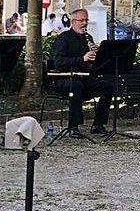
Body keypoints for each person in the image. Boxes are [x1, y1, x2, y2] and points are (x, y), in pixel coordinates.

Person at [50, 8, 118, 137]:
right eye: (82, 20)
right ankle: (73, 127)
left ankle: (98, 124)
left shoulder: (88, 37)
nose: (85, 23)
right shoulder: (63, 38)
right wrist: (82, 58)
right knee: (76, 87)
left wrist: (98, 55)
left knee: (108, 87)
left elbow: (92, 64)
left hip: (84, 78)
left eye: (86, 20)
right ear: (73, 21)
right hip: (64, 79)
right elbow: (58, 62)